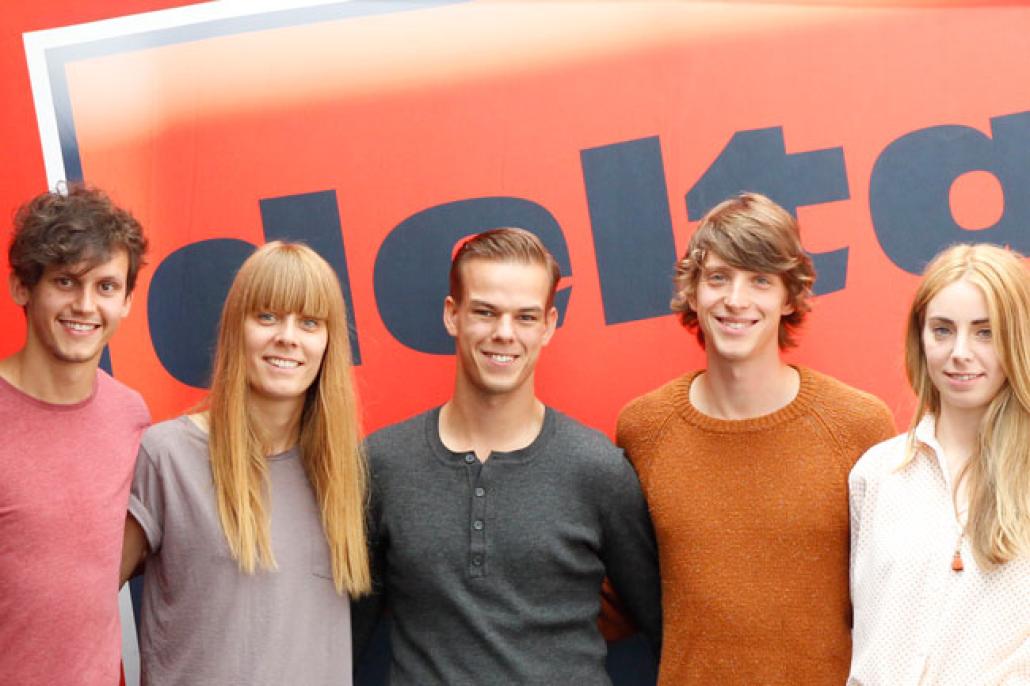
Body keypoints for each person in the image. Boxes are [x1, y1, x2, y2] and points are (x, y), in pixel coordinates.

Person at [354, 227, 661, 685]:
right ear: (452, 315)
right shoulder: (382, 465)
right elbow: (339, 637)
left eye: (525, 317)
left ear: (549, 325)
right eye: (485, 312)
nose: (504, 333)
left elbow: (671, 627)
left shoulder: (597, 468)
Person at [616, 192, 896, 684]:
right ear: (693, 291)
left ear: (790, 296)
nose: (735, 300)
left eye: (760, 280)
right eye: (718, 277)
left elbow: (897, 597)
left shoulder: (857, 425)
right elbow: (617, 595)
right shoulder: (645, 428)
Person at [119, 241, 370, 685]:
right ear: (237, 326)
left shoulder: (344, 472)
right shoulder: (167, 456)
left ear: (329, 341)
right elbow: (81, 608)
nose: (287, 337)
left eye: (309, 322)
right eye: (267, 316)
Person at [848, 243, 1030, 685]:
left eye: (985, 332)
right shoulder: (877, 474)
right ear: (920, 338)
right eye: (942, 330)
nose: (960, 352)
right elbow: (862, 632)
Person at [0, 185, 150, 685]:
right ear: (23, 287)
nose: (85, 305)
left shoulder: (131, 417)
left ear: (127, 300)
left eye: (106, 287)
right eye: (66, 281)